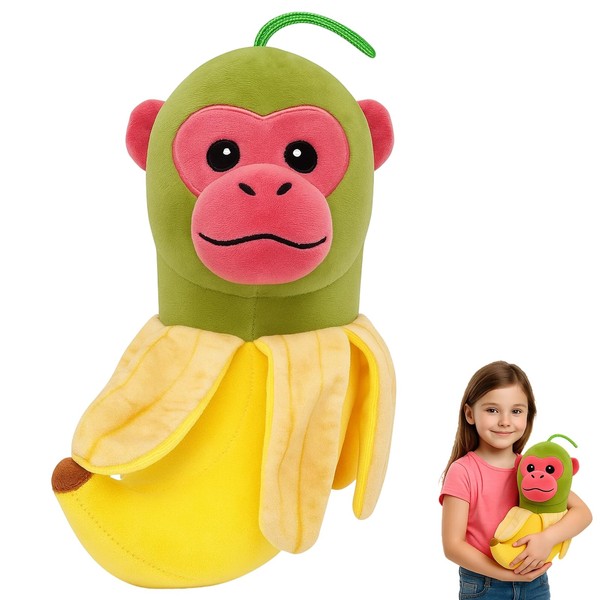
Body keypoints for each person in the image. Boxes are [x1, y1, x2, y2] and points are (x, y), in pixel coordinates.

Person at [440, 360, 592, 599]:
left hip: (535, 582)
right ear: (470, 414)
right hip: (484, 584)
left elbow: (583, 513)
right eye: (492, 410)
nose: (505, 421)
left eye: (516, 411)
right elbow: (453, 546)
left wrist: (547, 538)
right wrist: (505, 575)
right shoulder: (463, 471)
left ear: (528, 415)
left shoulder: (530, 468)